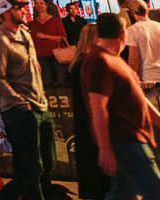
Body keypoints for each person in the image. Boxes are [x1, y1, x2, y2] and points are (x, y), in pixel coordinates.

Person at [85, 11, 160, 200]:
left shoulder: (114, 61)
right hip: (125, 140)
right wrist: (105, 148)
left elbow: (142, 101)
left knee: (122, 194)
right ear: (123, 35)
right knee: (157, 194)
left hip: (130, 138)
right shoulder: (99, 61)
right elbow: (98, 108)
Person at [0, 0, 53, 200]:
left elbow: (34, 66)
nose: (24, 11)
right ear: (6, 14)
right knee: (32, 167)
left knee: (47, 163)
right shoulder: (0, 41)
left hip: (39, 104)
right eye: (18, 9)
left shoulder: (25, 34)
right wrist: (19, 101)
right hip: (19, 110)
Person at [69, 20, 111, 200]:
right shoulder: (91, 63)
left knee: (90, 165)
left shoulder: (77, 63)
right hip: (95, 120)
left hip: (83, 121)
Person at [124, 0, 160, 89]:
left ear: (131, 13)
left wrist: (131, 81)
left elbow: (134, 59)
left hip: (149, 80)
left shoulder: (132, 31)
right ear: (147, 10)